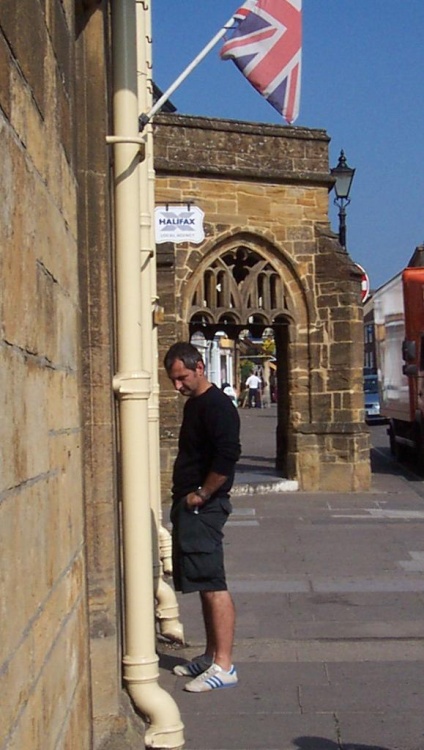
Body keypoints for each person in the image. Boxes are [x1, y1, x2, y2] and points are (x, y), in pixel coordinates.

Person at [164, 342, 241, 693]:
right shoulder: (196, 404)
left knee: (213, 584)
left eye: (182, 378)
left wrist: (203, 494)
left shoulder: (217, 406)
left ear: (199, 368)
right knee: (201, 582)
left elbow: (227, 456)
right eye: (173, 380)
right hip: (191, 504)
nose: (177, 386)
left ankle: (224, 665)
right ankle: (211, 655)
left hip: (204, 506)